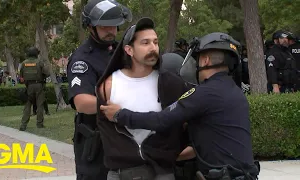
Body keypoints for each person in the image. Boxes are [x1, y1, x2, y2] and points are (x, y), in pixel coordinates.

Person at [100, 32, 260, 180]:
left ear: (205, 61)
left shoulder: (204, 94)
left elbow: (161, 120)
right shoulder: (235, 93)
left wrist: (120, 114)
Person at [96, 17, 192, 180]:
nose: (153, 48)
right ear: (129, 50)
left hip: (161, 173)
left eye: (155, 42)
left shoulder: (171, 84)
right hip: (121, 173)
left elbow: (186, 123)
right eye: (145, 43)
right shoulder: (109, 85)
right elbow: (104, 129)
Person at [66, 0, 132, 179]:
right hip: (96, 145)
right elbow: (82, 103)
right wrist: (124, 106)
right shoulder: (82, 59)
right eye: (105, 26)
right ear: (90, 26)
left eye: (114, 25)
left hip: (123, 141)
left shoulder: (123, 51)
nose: (111, 30)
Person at [19, 47, 49, 131]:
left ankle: (23, 125)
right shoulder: (39, 62)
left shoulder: (24, 63)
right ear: (36, 54)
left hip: (28, 86)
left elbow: (21, 77)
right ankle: (39, 124)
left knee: (27, 105)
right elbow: (47, 73)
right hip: (39, 85)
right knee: (40, 105)